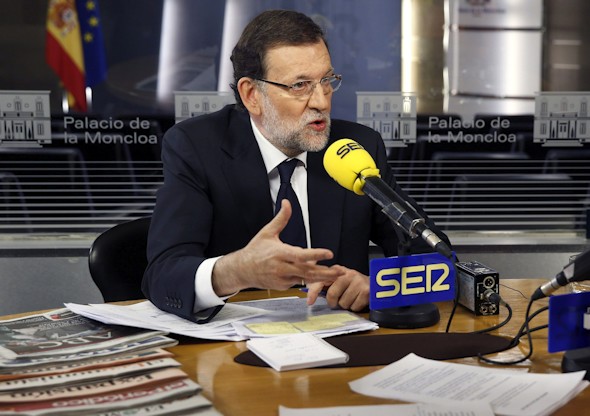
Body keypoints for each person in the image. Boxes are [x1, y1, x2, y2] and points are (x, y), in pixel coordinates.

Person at [142, 9, 451, 323]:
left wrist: (382, 287)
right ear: (251, 95)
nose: (321, 101)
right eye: (300, 85)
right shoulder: (197, 147)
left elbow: (436, 256)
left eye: (326, 81)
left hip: (341, 340)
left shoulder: (356, 149)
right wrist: (236, 271)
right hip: (235, 345)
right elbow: (163, 275)